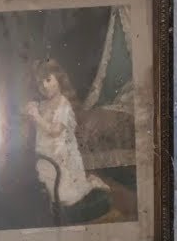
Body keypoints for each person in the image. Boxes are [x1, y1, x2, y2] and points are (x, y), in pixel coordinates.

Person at [23, 59, 112, 224]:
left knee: (65, 197)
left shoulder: (64, 106)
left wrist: (36, 116)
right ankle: (48, 207)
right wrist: (31, 108)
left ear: (58, 77)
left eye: (48, 80)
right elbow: (32, 115)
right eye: (41, 84)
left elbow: (55, 131)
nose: (45, 86)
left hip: (59, 156)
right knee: (44, 188)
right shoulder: (44, 103)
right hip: (44, 155)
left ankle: (91, 183)